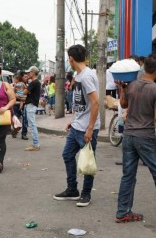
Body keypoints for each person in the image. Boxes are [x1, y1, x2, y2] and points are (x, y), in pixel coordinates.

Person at [114, 54, 156, 224]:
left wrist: (122, 89)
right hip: (145, 137)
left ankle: (122, 212)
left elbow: (124, 104)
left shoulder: (132, 85)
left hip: (128, 136)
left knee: (128, 175)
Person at [54, 44, 100, 207]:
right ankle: (72, 189)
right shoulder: (78, 74)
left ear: (71, 59)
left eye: (68, 59)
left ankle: (86, 194)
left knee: (88, 162)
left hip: (87, 128)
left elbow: (95, 103)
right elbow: (83, 104)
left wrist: (90, 128)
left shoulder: (87, 76)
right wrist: (74, 121)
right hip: (76, 126)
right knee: (67, 155)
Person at [0, 64, 16, 173]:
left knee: (0, 139)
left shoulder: (5, 85)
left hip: (3, 116)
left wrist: (5, 107)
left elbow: (13, 99)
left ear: (0, 74)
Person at [24, 66, 42, 151]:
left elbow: (25, 92)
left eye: (29, 72)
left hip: (31, 105)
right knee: (32, 124)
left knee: (32, 125)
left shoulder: (33, 83)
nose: (28, 74)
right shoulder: (36, 82)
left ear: (33, 73)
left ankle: (36, 144)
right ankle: (35, 143)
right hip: (32, 104)